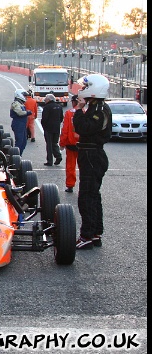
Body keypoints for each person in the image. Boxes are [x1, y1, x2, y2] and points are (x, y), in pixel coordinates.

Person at [72, 74, 112, 250]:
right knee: (93, 195)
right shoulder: (96, 107)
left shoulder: (99, 109)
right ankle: (95, 233)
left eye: (85, 86)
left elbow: (83, 128)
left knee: (87, 196)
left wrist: (78, 111)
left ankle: (87, 235)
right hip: (91, 153)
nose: (82, 89)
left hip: (92, 154)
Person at [59, 95, 80, 193]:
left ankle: (70, 185)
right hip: (84, 144)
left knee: (71, 166)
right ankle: (84, 185)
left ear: (74, 102)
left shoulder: (69, 113)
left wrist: (62, 143)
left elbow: (65, 130)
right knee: (84, 167)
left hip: (71, 144)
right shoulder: (87, 112)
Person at [41, 94, 64, 166]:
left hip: (48, 128)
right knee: (54, 143)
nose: (44, 100)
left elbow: (44, 119)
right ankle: (58, 156)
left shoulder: (47, 107)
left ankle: (49, 161)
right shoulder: (59, 107)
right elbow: (61, 118)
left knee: (49, 145)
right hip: (56, 128)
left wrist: (44, 126)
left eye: (45, 99)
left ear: (49, 99)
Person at [9, 88, 33, 155]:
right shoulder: (16, 103)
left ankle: (19, 155)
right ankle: (15, 156)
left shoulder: (21, 103)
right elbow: (20, 113)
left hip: (22, 124)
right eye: (24, 95)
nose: (25, 97)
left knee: (24, 142)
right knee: (19, 142)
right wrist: (28, 112)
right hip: (18, 124)